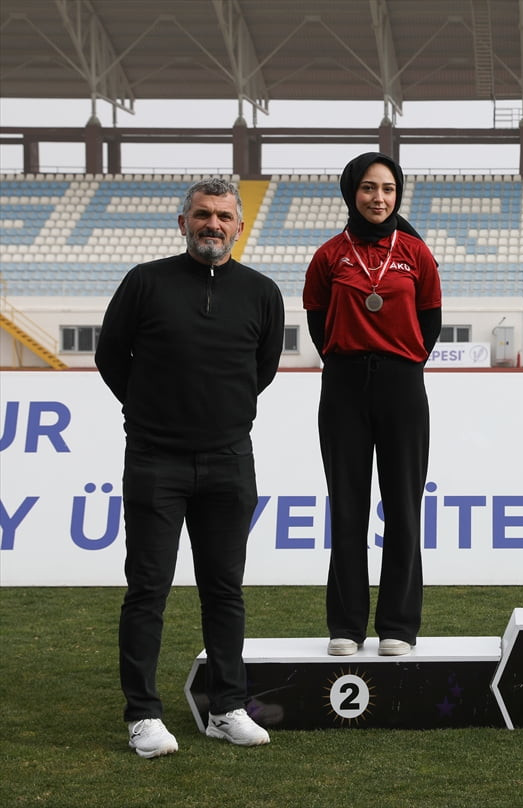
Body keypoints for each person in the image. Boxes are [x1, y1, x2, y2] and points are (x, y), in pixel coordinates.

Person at [95, 177, 284, 759]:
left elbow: (263, 368)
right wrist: (150, 413)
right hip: (155, 460)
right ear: (183, 222)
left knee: (224, 589)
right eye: (202, 214)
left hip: (229, 460)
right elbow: (110, 357)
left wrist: (219, 420)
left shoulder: (261, 291)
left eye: (224, 216)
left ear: (239, 227)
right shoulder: (145, 282)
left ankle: (227, 707)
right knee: (147, 589)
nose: (213, 225)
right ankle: (143, 717)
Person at [303, 152, 441, 658]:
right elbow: (318, 322)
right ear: (351, 192)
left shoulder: (417, 253)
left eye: (387, 189)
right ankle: (345, 624)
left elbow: (430, 323)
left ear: (397, 195)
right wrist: (349, 358)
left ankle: (399, 626)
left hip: (403, 386)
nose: (378, 198)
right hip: (342, 386)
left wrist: (399, 362)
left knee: (403, 508)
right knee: (347, 506)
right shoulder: (328, 255)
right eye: (367, 188)